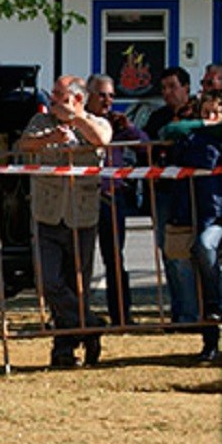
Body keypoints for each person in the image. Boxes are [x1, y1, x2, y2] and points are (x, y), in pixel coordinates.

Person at [16, 74, 113, 368]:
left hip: (82, 215)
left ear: (77, 98)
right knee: (49, 282)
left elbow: (101, 140)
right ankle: (91, 325)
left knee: (77, 284)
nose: (53, 99)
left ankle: (64, 349)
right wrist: (49, 139)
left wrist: (76, 118)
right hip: (46, 213)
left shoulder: (96, 122)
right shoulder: (41, 121)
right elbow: (23, 144)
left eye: (59, 95)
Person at [158, 90, 222, 362]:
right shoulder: (194, 136)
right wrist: (206, 124)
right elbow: (169, 130)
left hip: (219, 212)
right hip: (209, 215)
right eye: (205, 112)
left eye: (216, 113)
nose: (210, 118)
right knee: (204, 250)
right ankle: (211, 330)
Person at [84, 73, 147, 327]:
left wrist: (128, 127)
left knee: (115, 258)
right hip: (84, 197)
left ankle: (121, 315)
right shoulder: (80, 121)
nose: (107, 101)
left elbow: (145, 145)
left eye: (111, 95)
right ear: (88, 96)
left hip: (111, 197)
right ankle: (77, 316)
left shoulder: (116, 124)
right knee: (80, 260)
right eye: (101, 95)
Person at [147, 66, 200, 323]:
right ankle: (179, 310)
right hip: (164, 192)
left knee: (189, 254)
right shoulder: (158, 118)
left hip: (193, 192)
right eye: (164, 88)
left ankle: (193, 312)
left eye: (173, 87)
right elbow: (146, 147)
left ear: (186, 87)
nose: (168, 93)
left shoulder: (199, 113)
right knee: (168, 251)